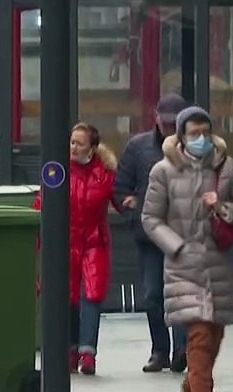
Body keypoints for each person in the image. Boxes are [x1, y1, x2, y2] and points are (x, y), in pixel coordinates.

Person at [141, 106, 233, 392]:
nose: (202, 139)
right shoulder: (163, 172)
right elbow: (150, 218)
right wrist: (175, 246)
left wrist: (221, 207)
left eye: (206, 132)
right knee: (199, 337)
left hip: (217, 264)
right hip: (183, 268)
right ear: (181, 136)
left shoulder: (226, 168)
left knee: (214, 338)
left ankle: (190, 390)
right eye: (194, 133)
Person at [33, 122, 119, 375]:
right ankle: (70, 349)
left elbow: (121, 198)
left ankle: (87, 352)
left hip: (94, 241)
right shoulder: (57, 171)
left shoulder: (105, 174)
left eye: (79, 143)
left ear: (93, 148)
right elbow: (42, 201)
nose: (73, 147)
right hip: (65, 241)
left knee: (92, 294)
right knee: (67, 296)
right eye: (72, 141)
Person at [114, 93, 190, 374]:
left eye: (174, 123)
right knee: (152, 295)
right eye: (165, 122)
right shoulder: (138, 147)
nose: (168, 128)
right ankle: (160, 350)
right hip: (150, 235)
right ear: (155, 116)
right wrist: (134, 216)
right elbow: (120, 188)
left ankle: (182, 349)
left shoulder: (193, 147)